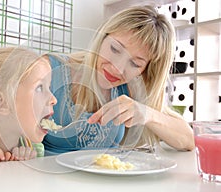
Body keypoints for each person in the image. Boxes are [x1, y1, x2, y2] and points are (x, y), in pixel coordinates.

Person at [42, 5, 195, 155]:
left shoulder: (128, 89)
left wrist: (148, 114)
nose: (117, 69)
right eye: (115, 49)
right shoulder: (50, 69)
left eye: (135, 64)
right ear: (102, 38)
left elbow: (188, 140)